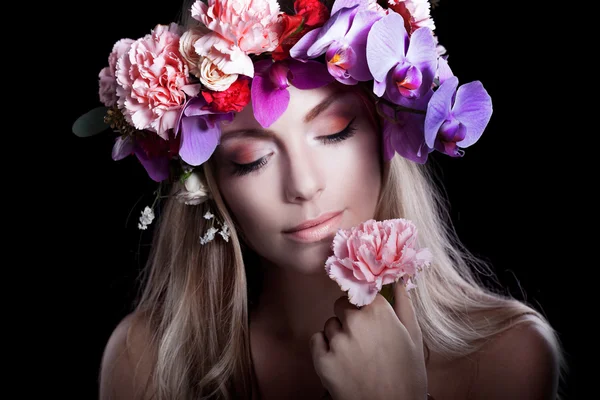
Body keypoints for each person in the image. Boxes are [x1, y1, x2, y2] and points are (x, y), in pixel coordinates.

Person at [72, 0, 567, 398]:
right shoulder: (147, 362)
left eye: (333, 131)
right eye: (250, 159)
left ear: (386, 126)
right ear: (212, 183)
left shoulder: (509, 359)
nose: (303, 185)